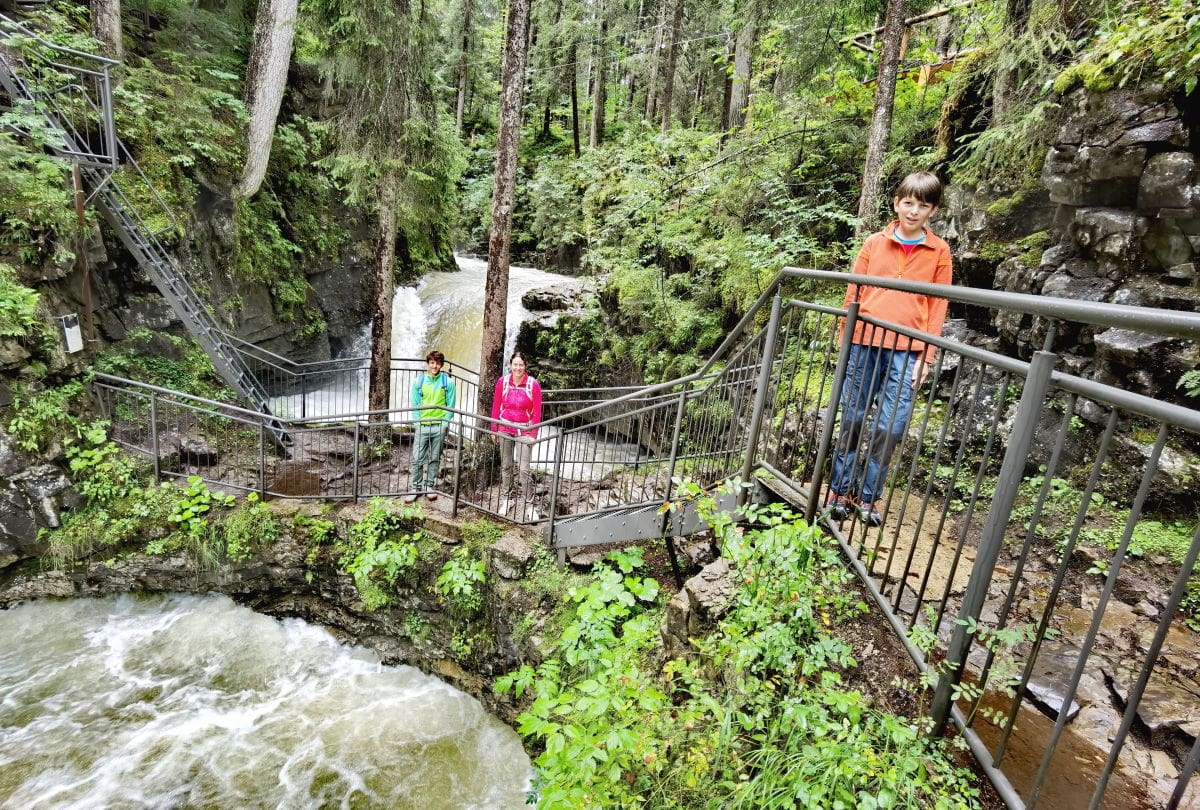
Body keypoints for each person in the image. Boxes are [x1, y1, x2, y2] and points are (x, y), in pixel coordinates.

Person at [826, 171, 953, 527]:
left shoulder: (939, 250)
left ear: (933, 210)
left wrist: (927, 356)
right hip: (864, 342)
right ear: (897, 203)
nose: (914, 211)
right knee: (852, 416)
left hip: (908, 349)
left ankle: (868, 497)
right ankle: (839, 490)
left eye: (923, 205)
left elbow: (938, 304)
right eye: (908, 203)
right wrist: (845, 339)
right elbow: (854, 292)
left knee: (890, 426)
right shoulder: (873, 243)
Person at [490, 352, 543, 520]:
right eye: (515, 364)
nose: (518, 368)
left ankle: (530, 506)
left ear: (525, 366)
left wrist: (533, 434)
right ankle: (507, 499)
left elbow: (537, 412)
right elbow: (496, 405)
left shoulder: (533, 385)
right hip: (504, 428)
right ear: (510, 365)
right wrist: (494, 428)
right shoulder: (502, 382)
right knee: (506, 466)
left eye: (521, 365)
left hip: (524, 431)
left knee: (524, 470)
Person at [406, 351, 456, 503]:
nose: (435, 366)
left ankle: (429, 486)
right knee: (417, 458)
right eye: (432, 363)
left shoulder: (448, 383)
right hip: (422, 425)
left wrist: (444, 424)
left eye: (438, 363)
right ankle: (415, 487)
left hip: (438, 426)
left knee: (435, 458)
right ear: (428, 363)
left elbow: (451, 405)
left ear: (441, 365)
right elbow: (414, 404)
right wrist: (417, 423)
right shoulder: (418, 382)